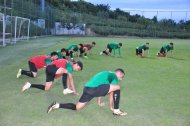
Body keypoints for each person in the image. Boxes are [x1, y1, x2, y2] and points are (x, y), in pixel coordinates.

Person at [47, 68, 127, 116]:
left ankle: (57, 105)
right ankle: (117, 111)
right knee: (117, 87)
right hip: (94, 89)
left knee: (77, 107)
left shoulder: (107, 73)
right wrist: (111, 107)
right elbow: (112, 92)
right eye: (121, 77)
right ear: (118, 73)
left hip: (87, 89)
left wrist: (99, 102)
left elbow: (103, 87)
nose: (121, 79)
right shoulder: (114, 77)